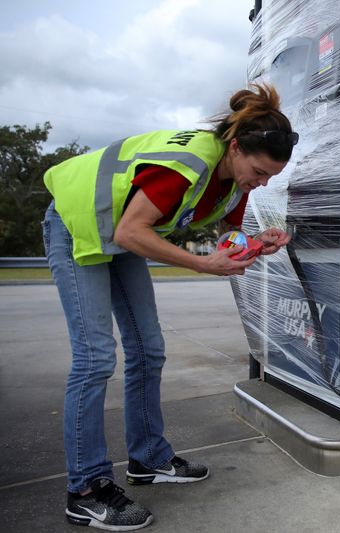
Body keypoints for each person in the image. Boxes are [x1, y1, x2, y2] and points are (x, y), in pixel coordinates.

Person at [42, 83, 296, 530]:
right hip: (77, 225)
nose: (262, 183)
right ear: (234, 147)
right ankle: (85, 490)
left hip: (116, 235)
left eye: (270, 177)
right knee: (96, 357)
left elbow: (228, 242)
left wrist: (257, 244)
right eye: (259, 171)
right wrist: (203, 265)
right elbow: (130, 233)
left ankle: (148, 460)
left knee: (148, 348)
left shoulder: (234, 183)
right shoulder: (187, 165)